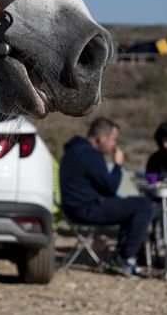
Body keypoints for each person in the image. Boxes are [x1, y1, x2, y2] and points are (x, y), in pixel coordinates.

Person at [59, 117, 155, 276]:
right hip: (86, 209)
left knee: (131, 206)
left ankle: (122, 256)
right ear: (101, 138)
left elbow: (100, 188)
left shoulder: (74, 151)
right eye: (112, 139)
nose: (113, 145)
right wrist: (118, 165)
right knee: (143, 205)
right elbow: (109, 187)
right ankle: (125, 258)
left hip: (75, 208)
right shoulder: (88, 154)